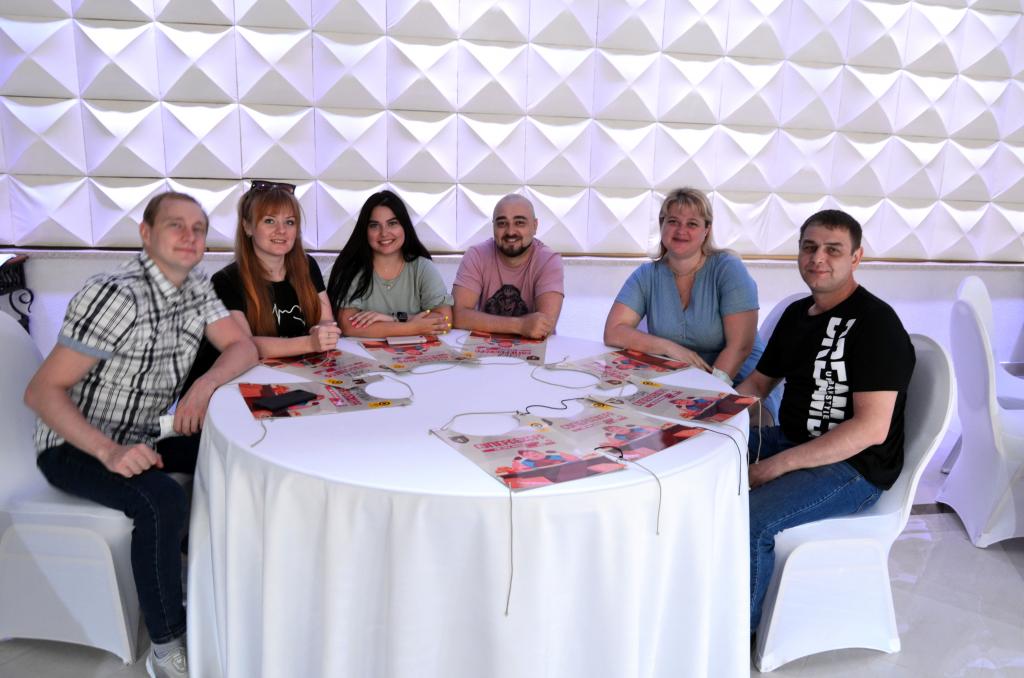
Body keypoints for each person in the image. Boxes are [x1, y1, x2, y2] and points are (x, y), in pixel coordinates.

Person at [23, 192, 258, 678]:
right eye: (176, 225)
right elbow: (42, 391)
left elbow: (242, 346)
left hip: (143, 433)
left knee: (231, 450)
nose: (190, 236)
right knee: (161, 500)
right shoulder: (117, 294)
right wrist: (109, 452)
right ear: (146, 234)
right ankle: (167, 646)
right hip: (75, 444)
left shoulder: (196, 289)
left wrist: (204, 386)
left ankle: (210, 581)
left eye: (198, 228)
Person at [736, 209, 915, 633]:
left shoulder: (876, 324)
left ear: (856, 257)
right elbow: (758, 384)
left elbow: (871, 429)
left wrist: (773, 467)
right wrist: (703, 416)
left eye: (833, 250)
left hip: (853, 467)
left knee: (750, 520)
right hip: (793, 440)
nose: (818, 258)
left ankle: (739, 636)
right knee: (699, 467)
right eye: (809, 247)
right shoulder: (797, 314)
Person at [181, 180, 339, 393]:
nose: (281, 230)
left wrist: (325, 330)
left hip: (290, 378)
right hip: (228, 387)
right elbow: (244, 346)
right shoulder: (225, 281)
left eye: (290, 222)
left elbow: (325, 319)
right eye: (269, 221)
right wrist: (311, 343)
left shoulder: (307, 265)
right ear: (247, 227)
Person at [604, 187, 763, 388]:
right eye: (673, 221)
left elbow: (740, 347)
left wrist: (709, 390)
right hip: (680, 378)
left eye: (692, 224)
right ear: (662, 225)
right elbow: (613, 332)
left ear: (706, 230)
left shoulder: (728, 268)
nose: (681, 231)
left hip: (740, 378)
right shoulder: (646, 275)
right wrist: (668, 348)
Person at [327, 189, 452, 338]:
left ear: (405, 226)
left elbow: (445, 320)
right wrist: (413, 327)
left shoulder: (423, 267)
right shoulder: (352, 269)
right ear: (365, 231)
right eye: (374, 225)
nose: (384, 233)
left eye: (392, 223)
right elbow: (348, 327)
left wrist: (393, 318)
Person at [452, 193, 564, 339]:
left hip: (537, 349)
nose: (510, 232)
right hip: (483, 347)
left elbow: (545, 326)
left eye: (519, 223)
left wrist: (483, 322)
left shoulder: (548, 260)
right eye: (502, 223)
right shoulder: (476, 255)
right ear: (493, 226)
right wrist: (520, 325)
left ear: (535, 226)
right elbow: (458, 316)